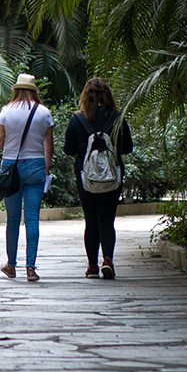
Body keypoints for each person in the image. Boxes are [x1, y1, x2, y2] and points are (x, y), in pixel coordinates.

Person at [0, 73, 54, 282]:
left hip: (10, 167)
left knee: (13, 219)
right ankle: (31, 268)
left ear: (16, 90)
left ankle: (11, 265)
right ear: (34, 91)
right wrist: (45, 170)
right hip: (36, 166)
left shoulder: (6, 111)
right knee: (32, 218)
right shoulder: (44, 113)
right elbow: (49, 147)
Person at [63, 76, 132, 279]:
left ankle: (92, 266)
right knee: (107, 220)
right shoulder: (118, 118)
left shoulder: (77, 120)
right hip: (112, 177)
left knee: (90, 220)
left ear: (85, 96)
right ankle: (108, 260)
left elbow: (68, 149)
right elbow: (128, 147)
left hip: (86, 177)